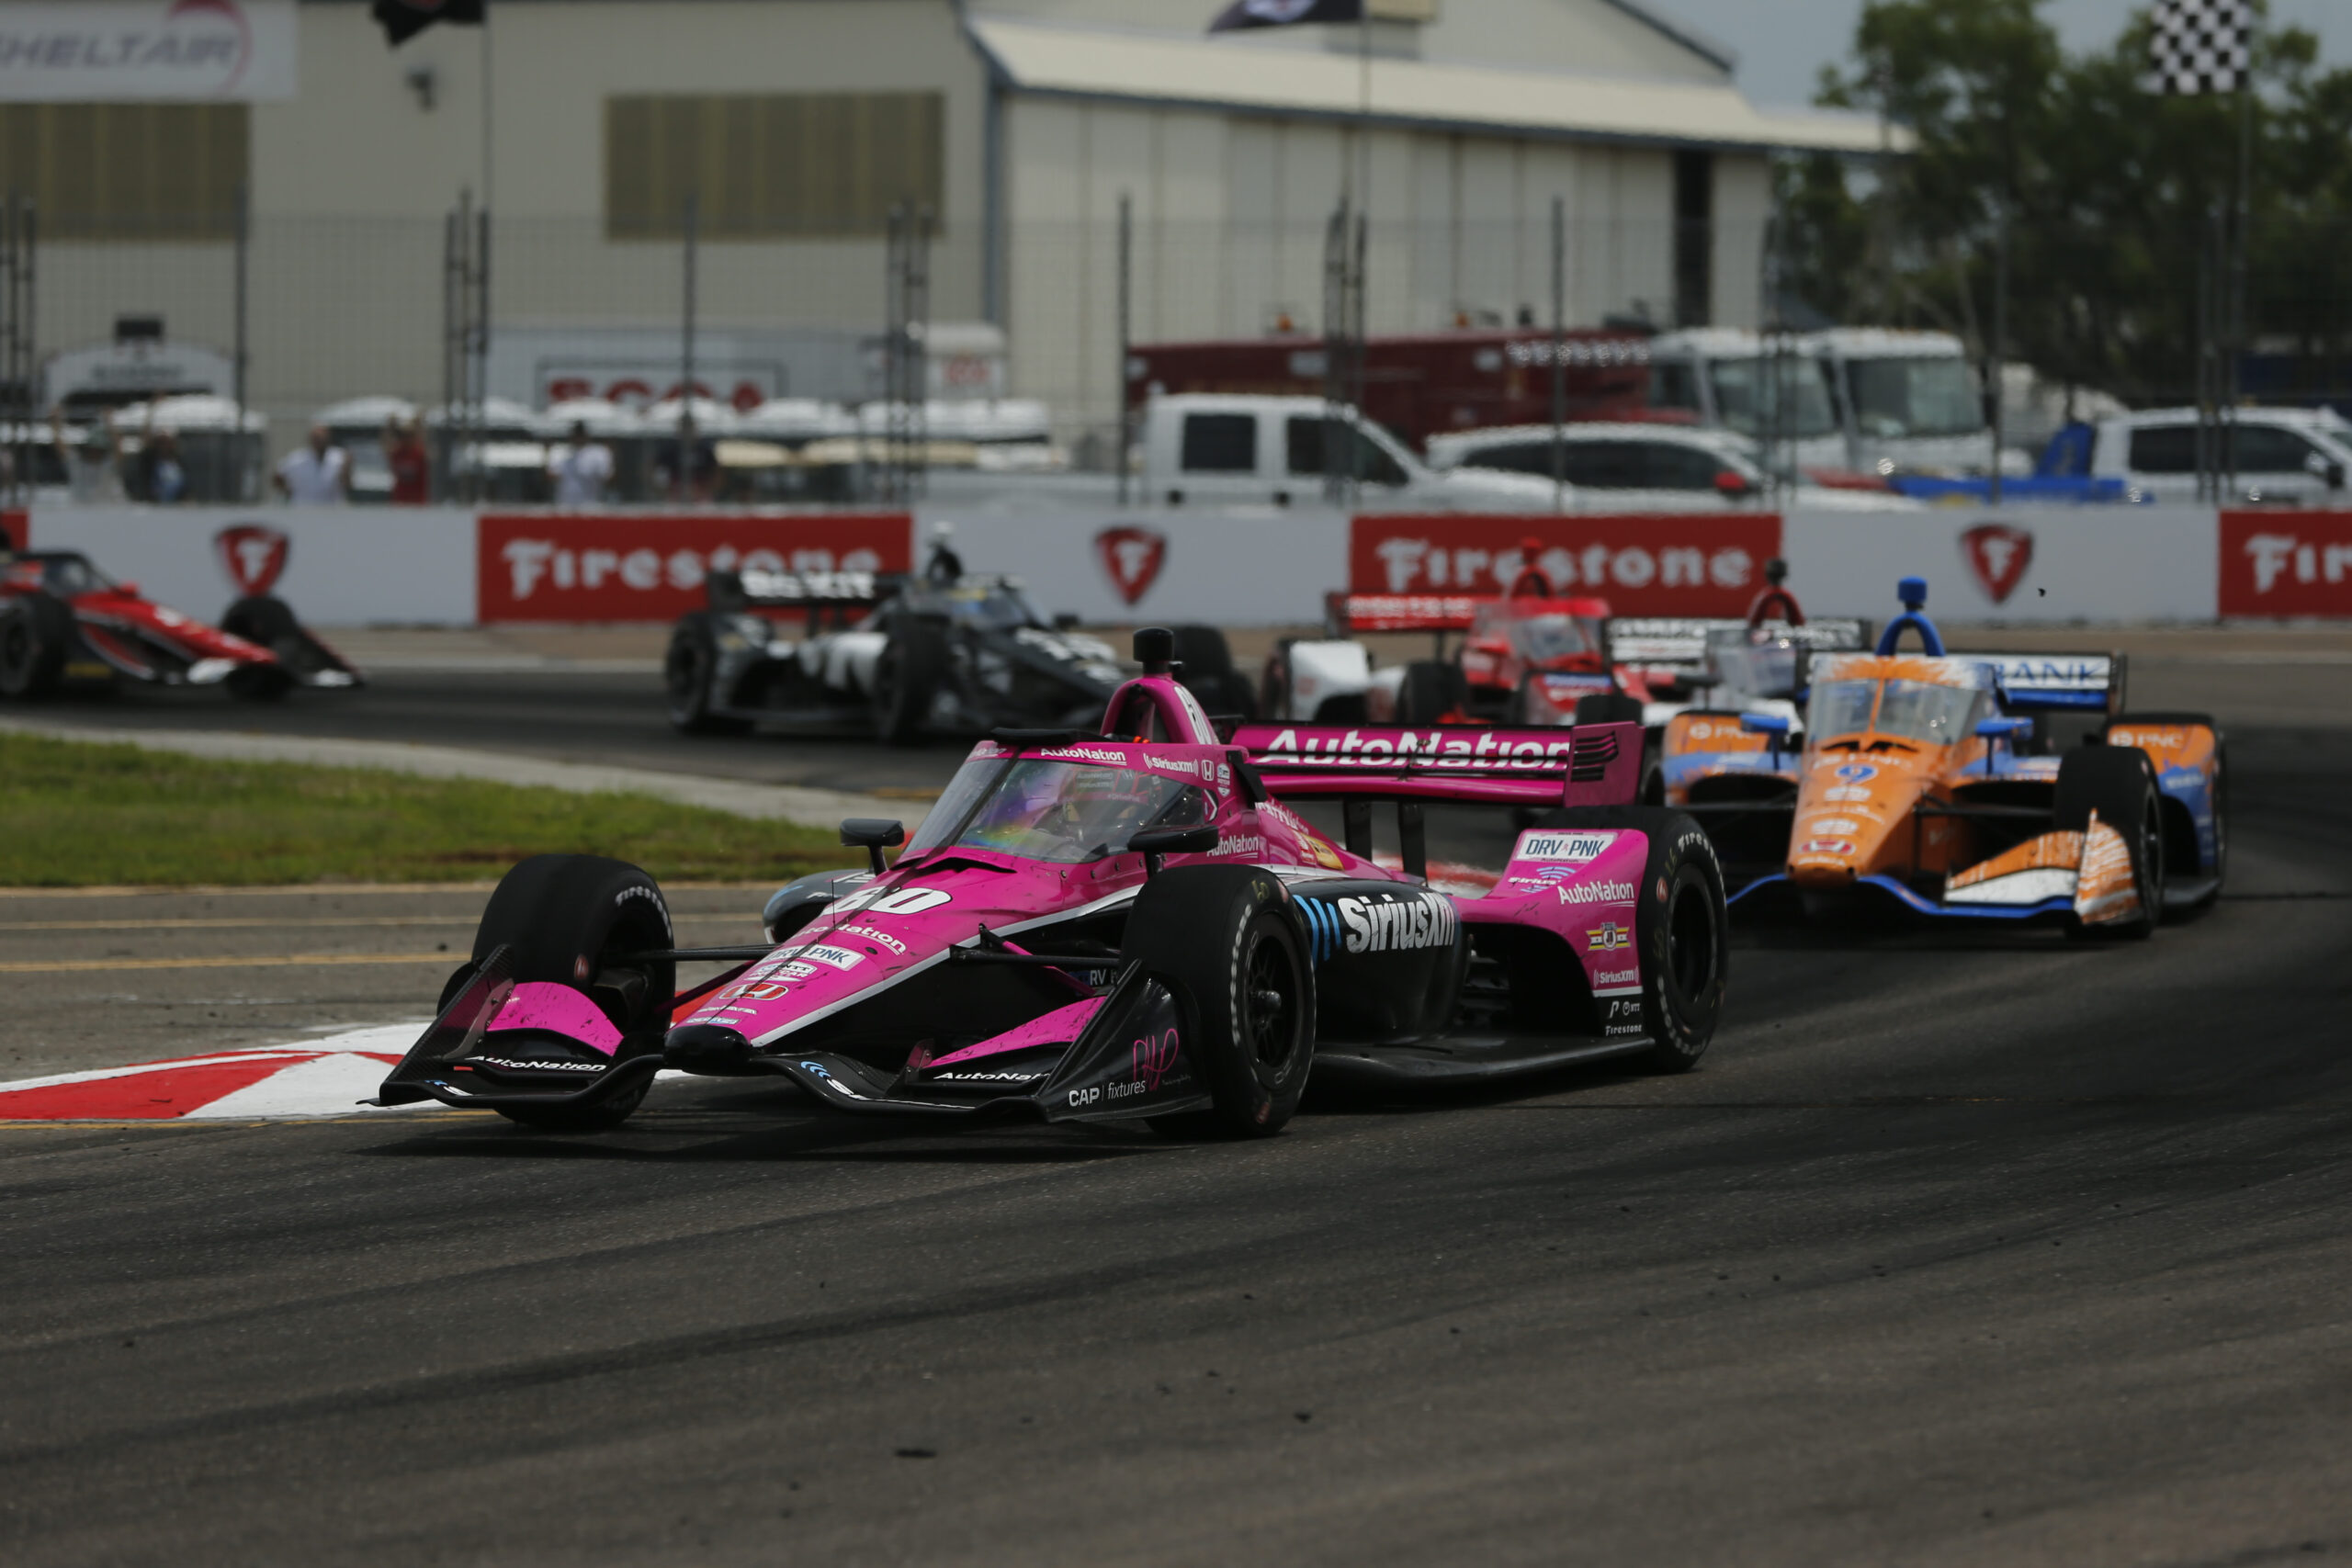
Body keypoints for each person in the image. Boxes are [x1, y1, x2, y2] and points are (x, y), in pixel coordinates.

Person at [51, 410, 126, 503]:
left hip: (107, 512)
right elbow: (60, 446)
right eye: (91, 449)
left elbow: (119, 450)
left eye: (98, 450)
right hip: (81, 513)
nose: (94, 453)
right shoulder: (77, 464)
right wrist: (55, 423)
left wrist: (110, 423)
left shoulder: (107, 466)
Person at [275, 424, 349, 504]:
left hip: (330, 509)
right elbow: (278, 476)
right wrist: (288, 492)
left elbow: (347, 484)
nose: (319, 442)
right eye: (316, 439)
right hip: (302, 509)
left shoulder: (340, 458)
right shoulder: (296, 459)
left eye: (322, 439)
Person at [547, 420, 613, 505]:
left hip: (590, 505)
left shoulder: (599, 453)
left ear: (586, 435)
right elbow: (550, 476)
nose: (578, 437)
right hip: (564, 505)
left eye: (580, 434)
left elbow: (608, 478)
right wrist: (546, 454)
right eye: (576, 434)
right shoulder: (560, 452)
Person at [385, 416, 431, 504]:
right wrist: (390, 427)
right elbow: (386, 447)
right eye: (403, 435)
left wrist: (419, 424)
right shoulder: (398, 453)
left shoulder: (419, 453)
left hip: (418, 502)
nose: (406, 438)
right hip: (400, 501)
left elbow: (427, 444)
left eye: (409, 435)